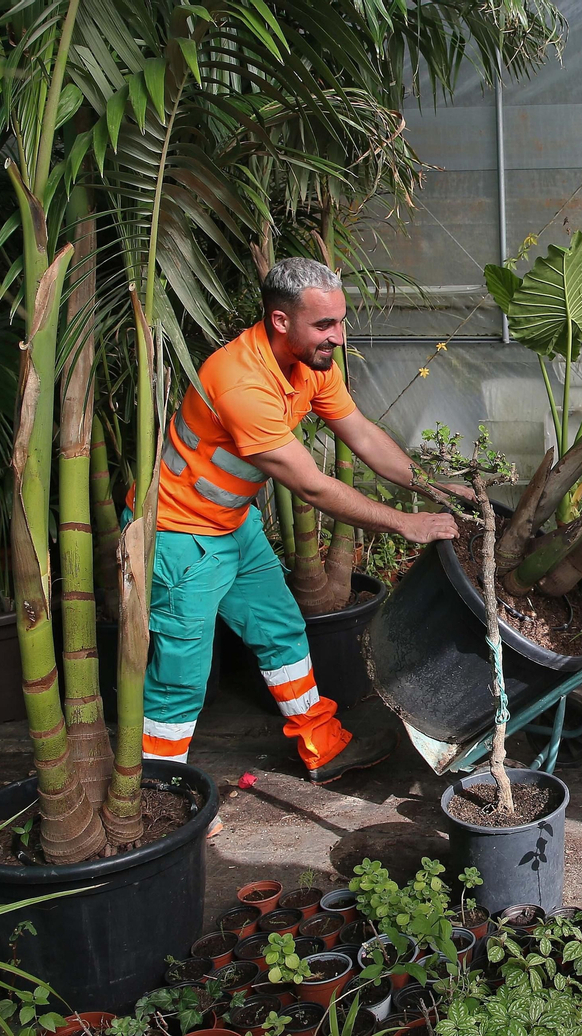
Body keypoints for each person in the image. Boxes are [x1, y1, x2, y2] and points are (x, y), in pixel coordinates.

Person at [143, 257, 463, 785]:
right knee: (180, 675)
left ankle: (322, 745)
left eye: (340, 322)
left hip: (232, 523)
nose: (337, 337)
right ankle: (160, 790)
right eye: (324, 325)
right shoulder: (240, 383)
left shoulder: (311, 364)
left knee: (282, 631)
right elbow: (313, 486)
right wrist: (407, 524)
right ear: (280, 321)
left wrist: (428, 488)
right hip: (179, 536)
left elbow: (359, 433)